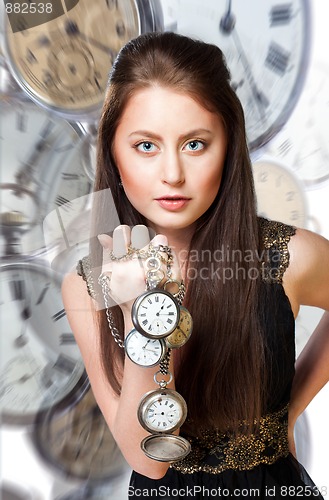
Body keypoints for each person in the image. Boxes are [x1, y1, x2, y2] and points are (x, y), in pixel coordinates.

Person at [62, 32, 329, 499]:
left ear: (227, 147)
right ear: (113, 154)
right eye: (146, 146)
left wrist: (292, 407)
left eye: (195, 144)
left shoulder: (287, 257)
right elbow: (146, 459)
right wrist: (137, 309)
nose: (172, 174)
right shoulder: (89, 287)